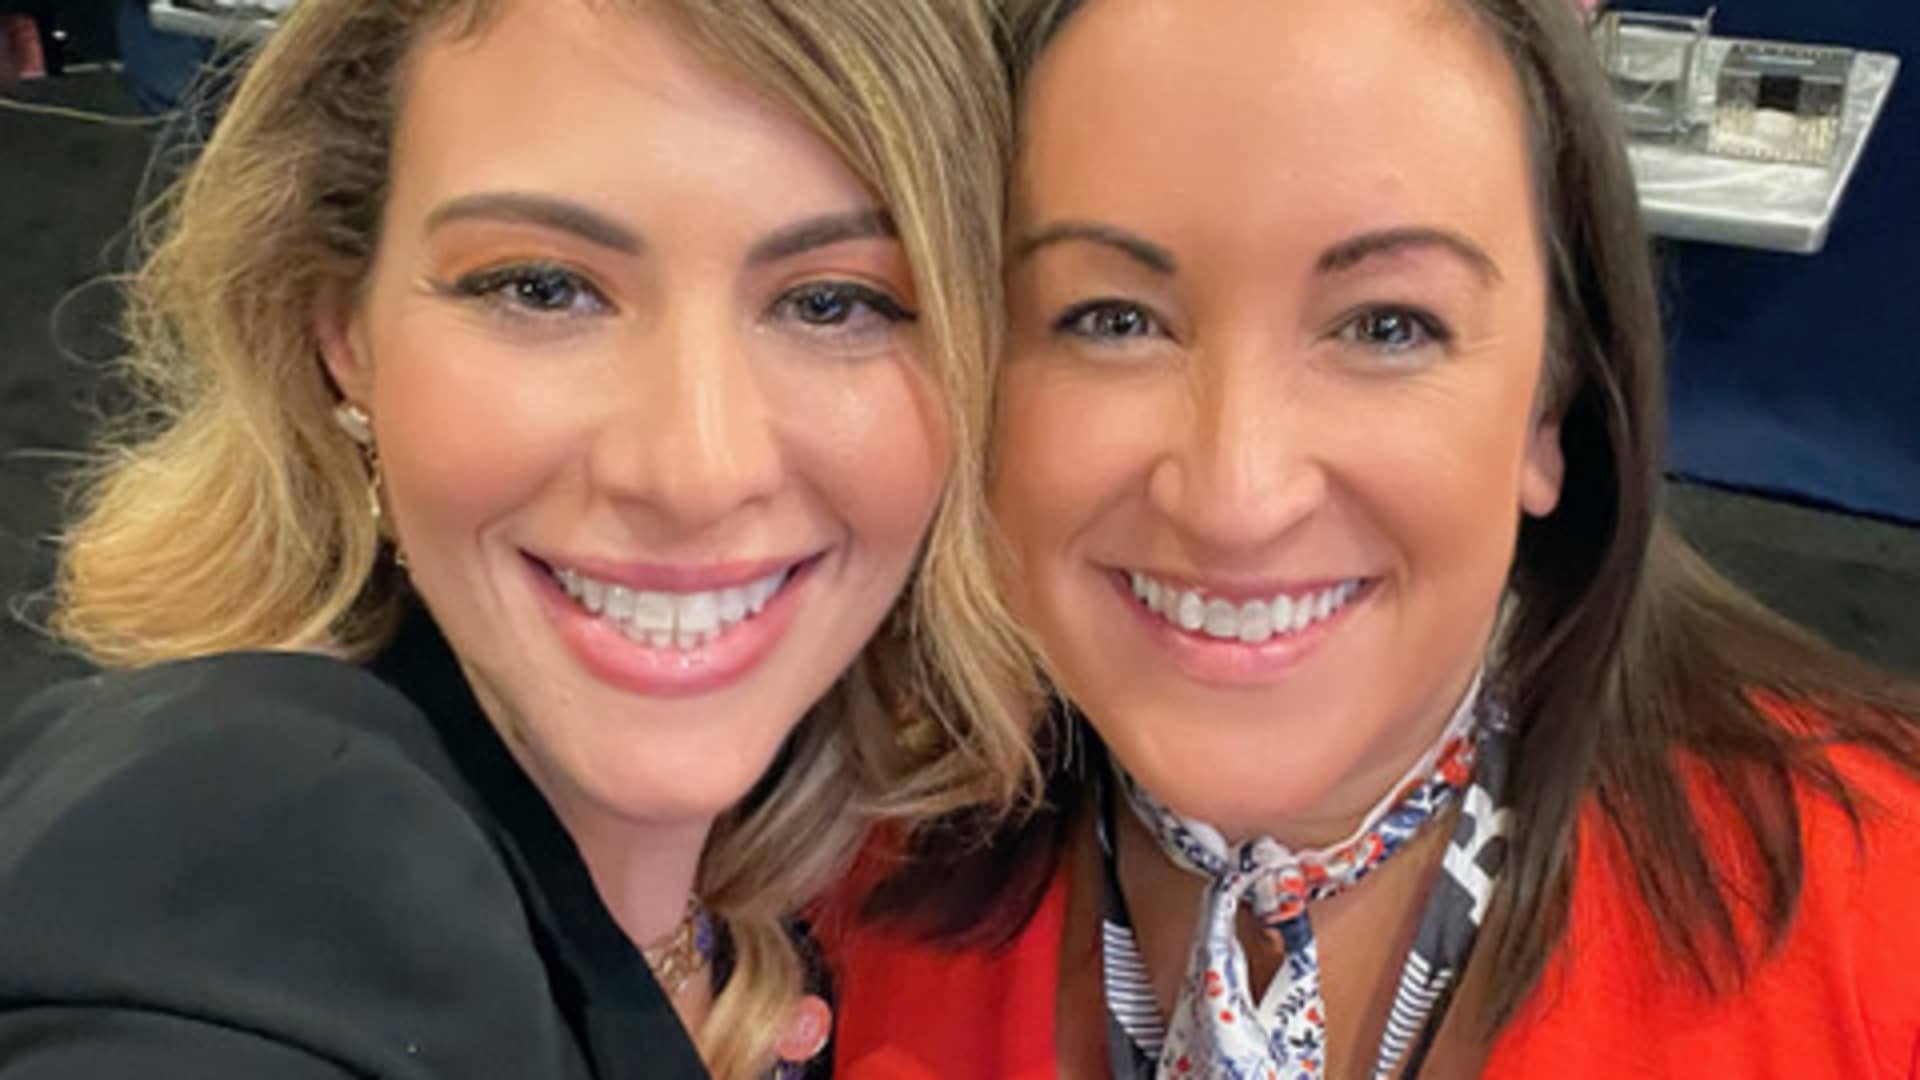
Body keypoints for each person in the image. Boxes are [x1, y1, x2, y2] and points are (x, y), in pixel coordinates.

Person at [826, 0, 1920, 1077]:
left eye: (1386, 326)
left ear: (1551, 407)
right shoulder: (812, 887)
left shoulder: (1886, 929)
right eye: (1114, 320)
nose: (1235, 497)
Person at [0, 1, 1029, 1077]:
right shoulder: (223, 860)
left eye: (835, 303)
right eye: (542, 288)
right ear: (341, 333)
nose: (694, 470)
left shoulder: (849, 879)